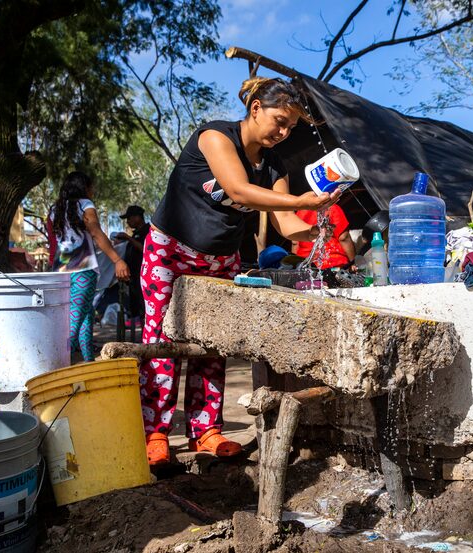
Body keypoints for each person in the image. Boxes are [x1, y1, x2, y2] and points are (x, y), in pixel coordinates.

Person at [140, 76, 340, 465]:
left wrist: (316, 226)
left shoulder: (274, 165)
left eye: (291, 127)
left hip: (221, 260)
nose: (283, 132)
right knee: (161, 344)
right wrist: (301, 199)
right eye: (279, 121)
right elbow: (237, 191)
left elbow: (285, 222)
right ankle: (156, 434)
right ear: (255, 109)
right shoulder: (215, 137)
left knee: (213, 345)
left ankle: (206, 431)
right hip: (170, 252)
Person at [50, 172, 130, 361]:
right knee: (74, 323)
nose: (92, 191)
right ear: (84, 187)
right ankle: (59, 363)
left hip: (60, 271)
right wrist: (117, 260)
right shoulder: (85, 205)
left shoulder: (55, 209)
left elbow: (53, 244)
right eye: (91, 187)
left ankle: (88, 362)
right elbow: (95, 232)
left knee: (85, 316)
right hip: (83, 270)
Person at [113, 205, 150, 324]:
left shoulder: (148, 231)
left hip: (145, 276)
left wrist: (128, 238)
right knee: (135, 307)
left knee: (144, 307)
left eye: (129, 218)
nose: (128, 221)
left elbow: (146, 249)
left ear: (137, 217)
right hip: (133, 277)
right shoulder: (136, 234)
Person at [292, 204, 354, 269]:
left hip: (306, 265)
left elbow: (295, 243)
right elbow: (344, 238)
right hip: (333, 264)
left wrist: (294, 266)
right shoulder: (332, 208)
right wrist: (353, 262)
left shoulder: (300, 212)